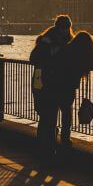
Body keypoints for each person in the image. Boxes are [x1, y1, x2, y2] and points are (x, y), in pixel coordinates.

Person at [43, 30, 93, 151]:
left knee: (53, 112)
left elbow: (53, 62)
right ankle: (65, 138)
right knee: (66, 112)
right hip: (68, 86)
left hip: (53, 83)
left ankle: (51, 138)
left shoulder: (66, 49)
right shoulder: (84, 54)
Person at [29, 15, 74, 154]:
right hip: (49, 83)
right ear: (58, 27)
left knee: (64, 112)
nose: (65, 30)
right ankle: (49, 143)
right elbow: (34, 59)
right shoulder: (46, 41)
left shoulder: (70, 42)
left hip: (63, 84)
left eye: (67, 28)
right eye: (63, 28)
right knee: (50, 114)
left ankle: (61, 140)